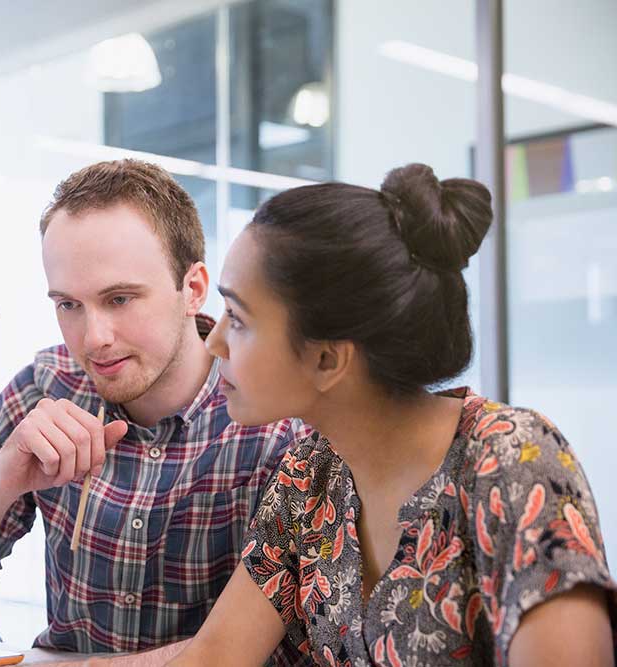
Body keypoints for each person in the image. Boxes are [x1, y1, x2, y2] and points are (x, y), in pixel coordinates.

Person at [160, 164, 616, 666]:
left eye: (239, 319)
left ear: (327, 359)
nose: (215, 338)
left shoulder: (514, 460)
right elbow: (216, 656)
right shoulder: (309, 474)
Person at [0, 159, 306, 664]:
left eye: (119, 299)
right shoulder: (43, 388)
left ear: (194, 289)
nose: (93, 339)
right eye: (68, 305)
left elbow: (283, 648)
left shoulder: (278, 427)